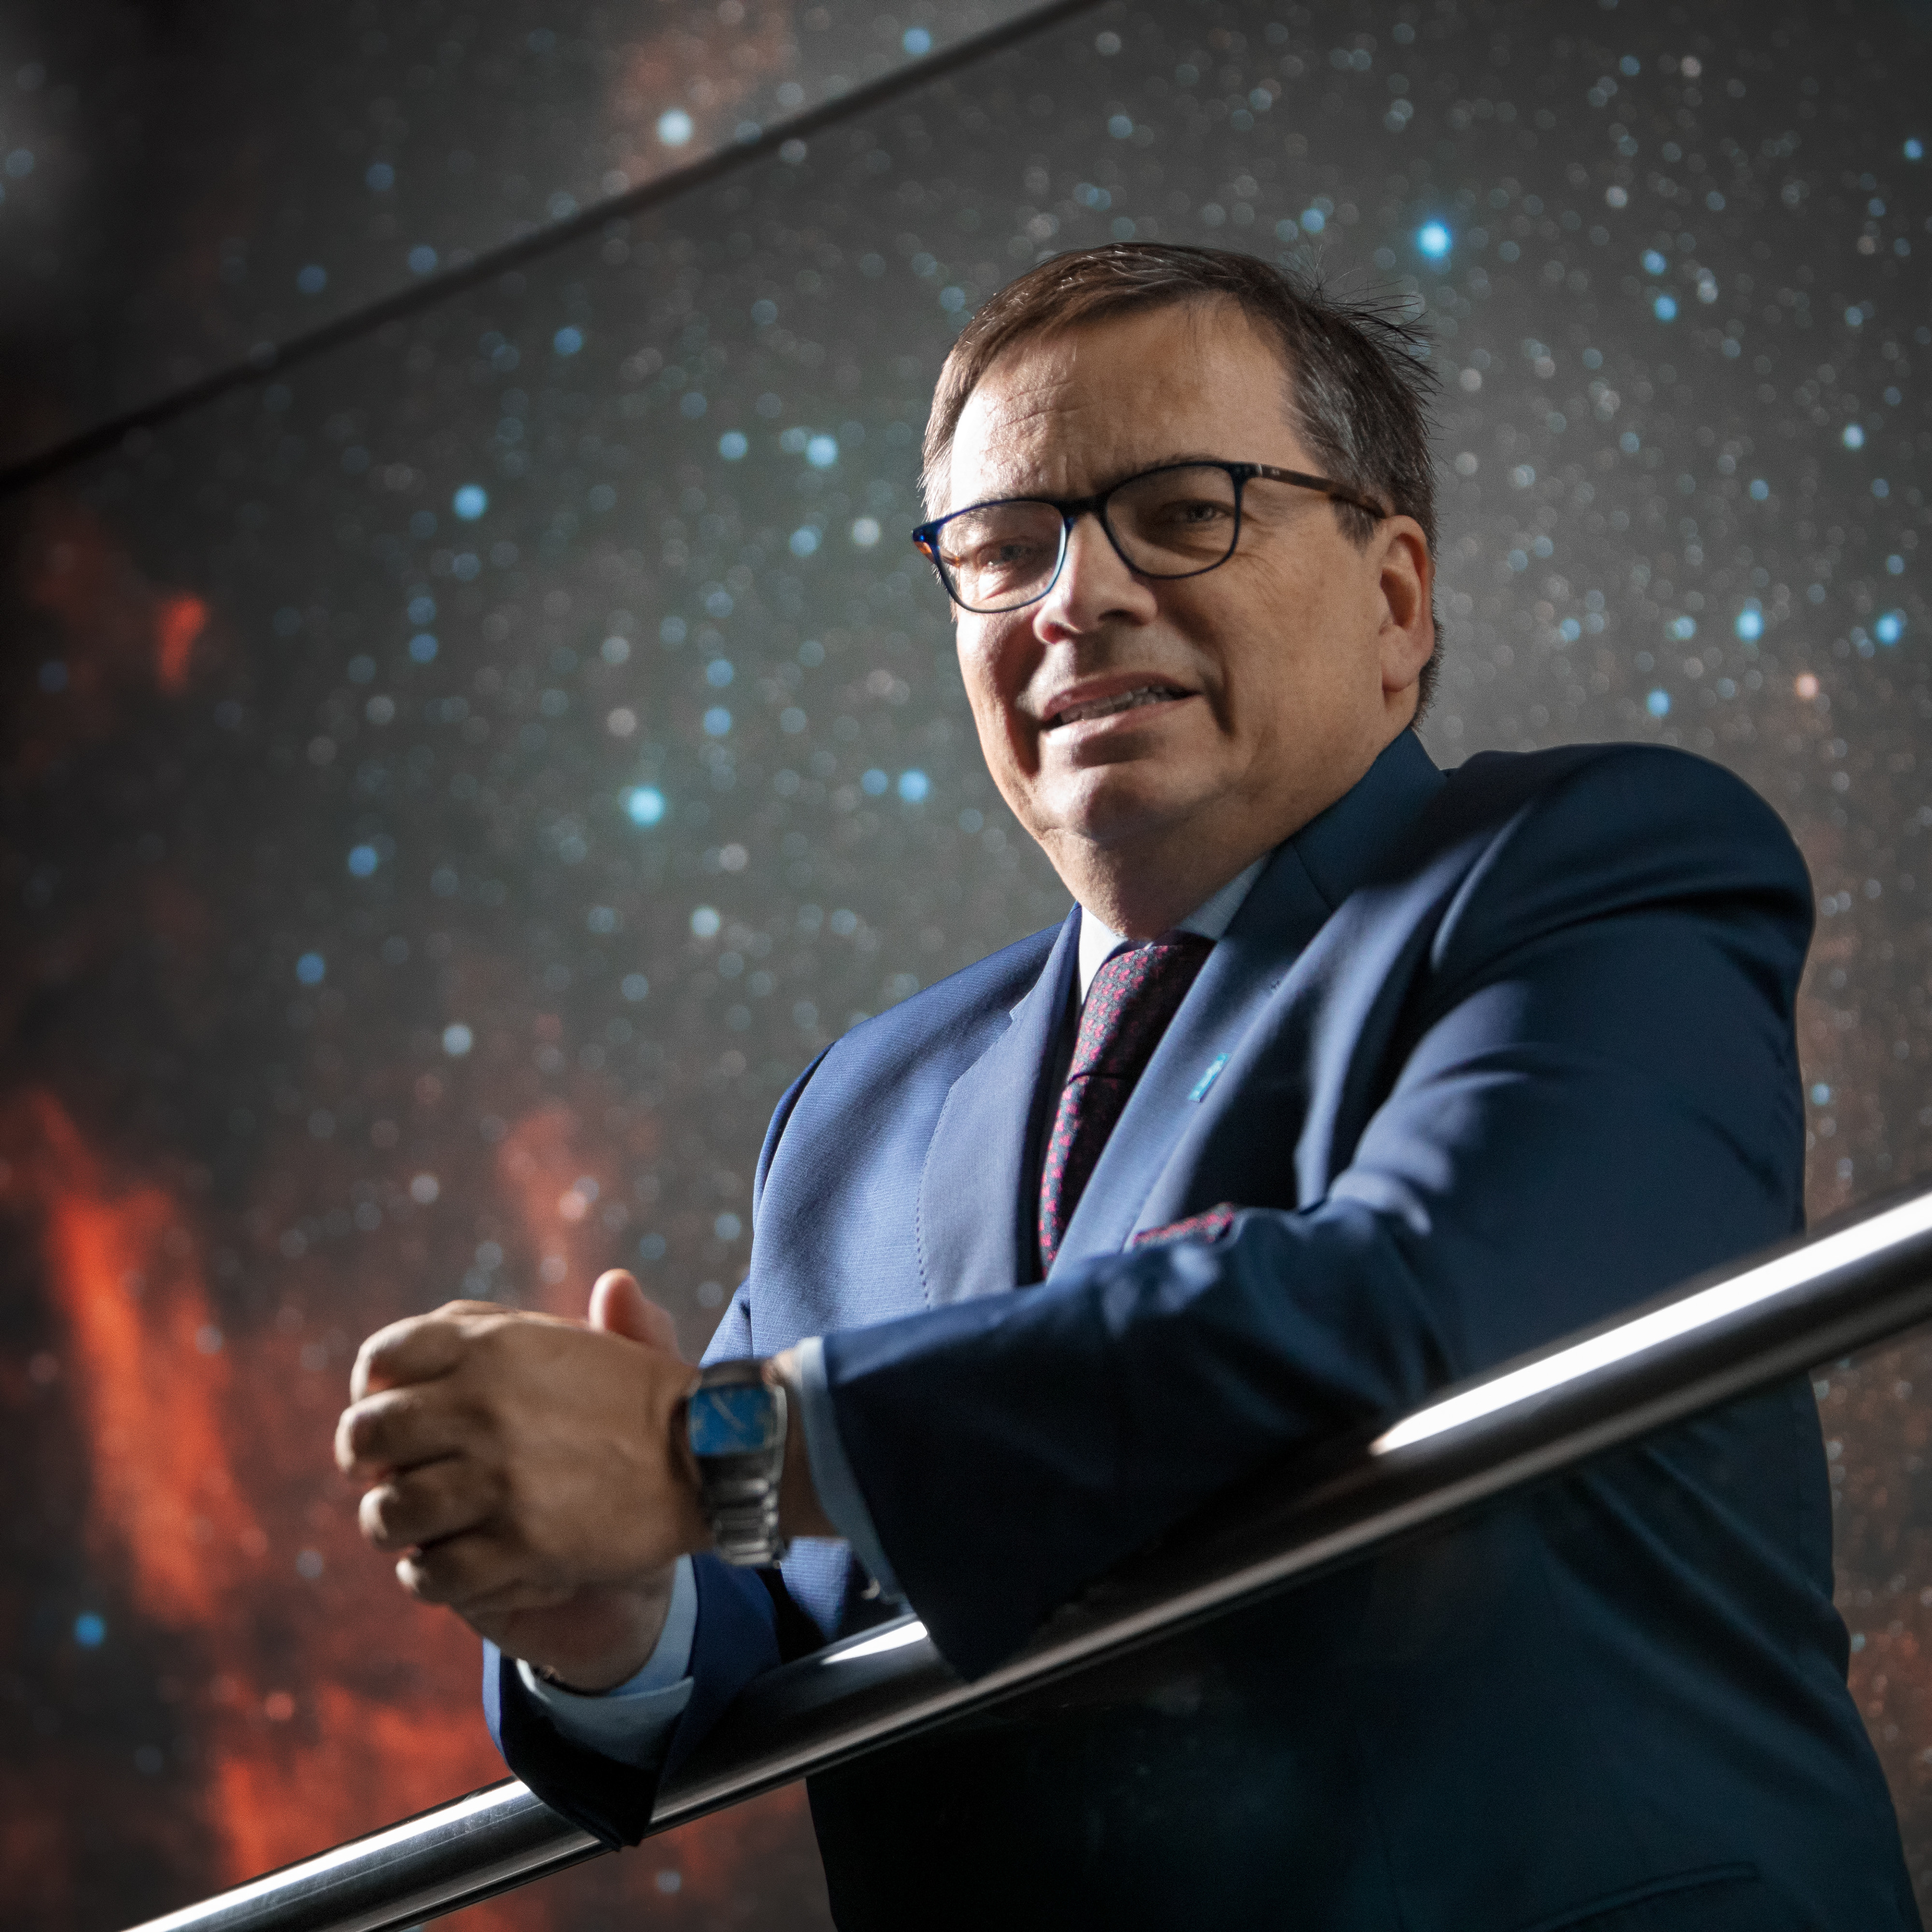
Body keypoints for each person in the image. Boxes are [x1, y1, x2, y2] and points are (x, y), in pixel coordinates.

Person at [337, 245, 1915, 1930]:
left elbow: (1408, 1304)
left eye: (1180, 512)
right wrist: (604, 1607)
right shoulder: (861, 1113)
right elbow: (763, 1580)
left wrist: (700, 1443)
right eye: (1002, 553)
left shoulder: (1593, 871)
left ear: (1396, 599)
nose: (1071, 601)